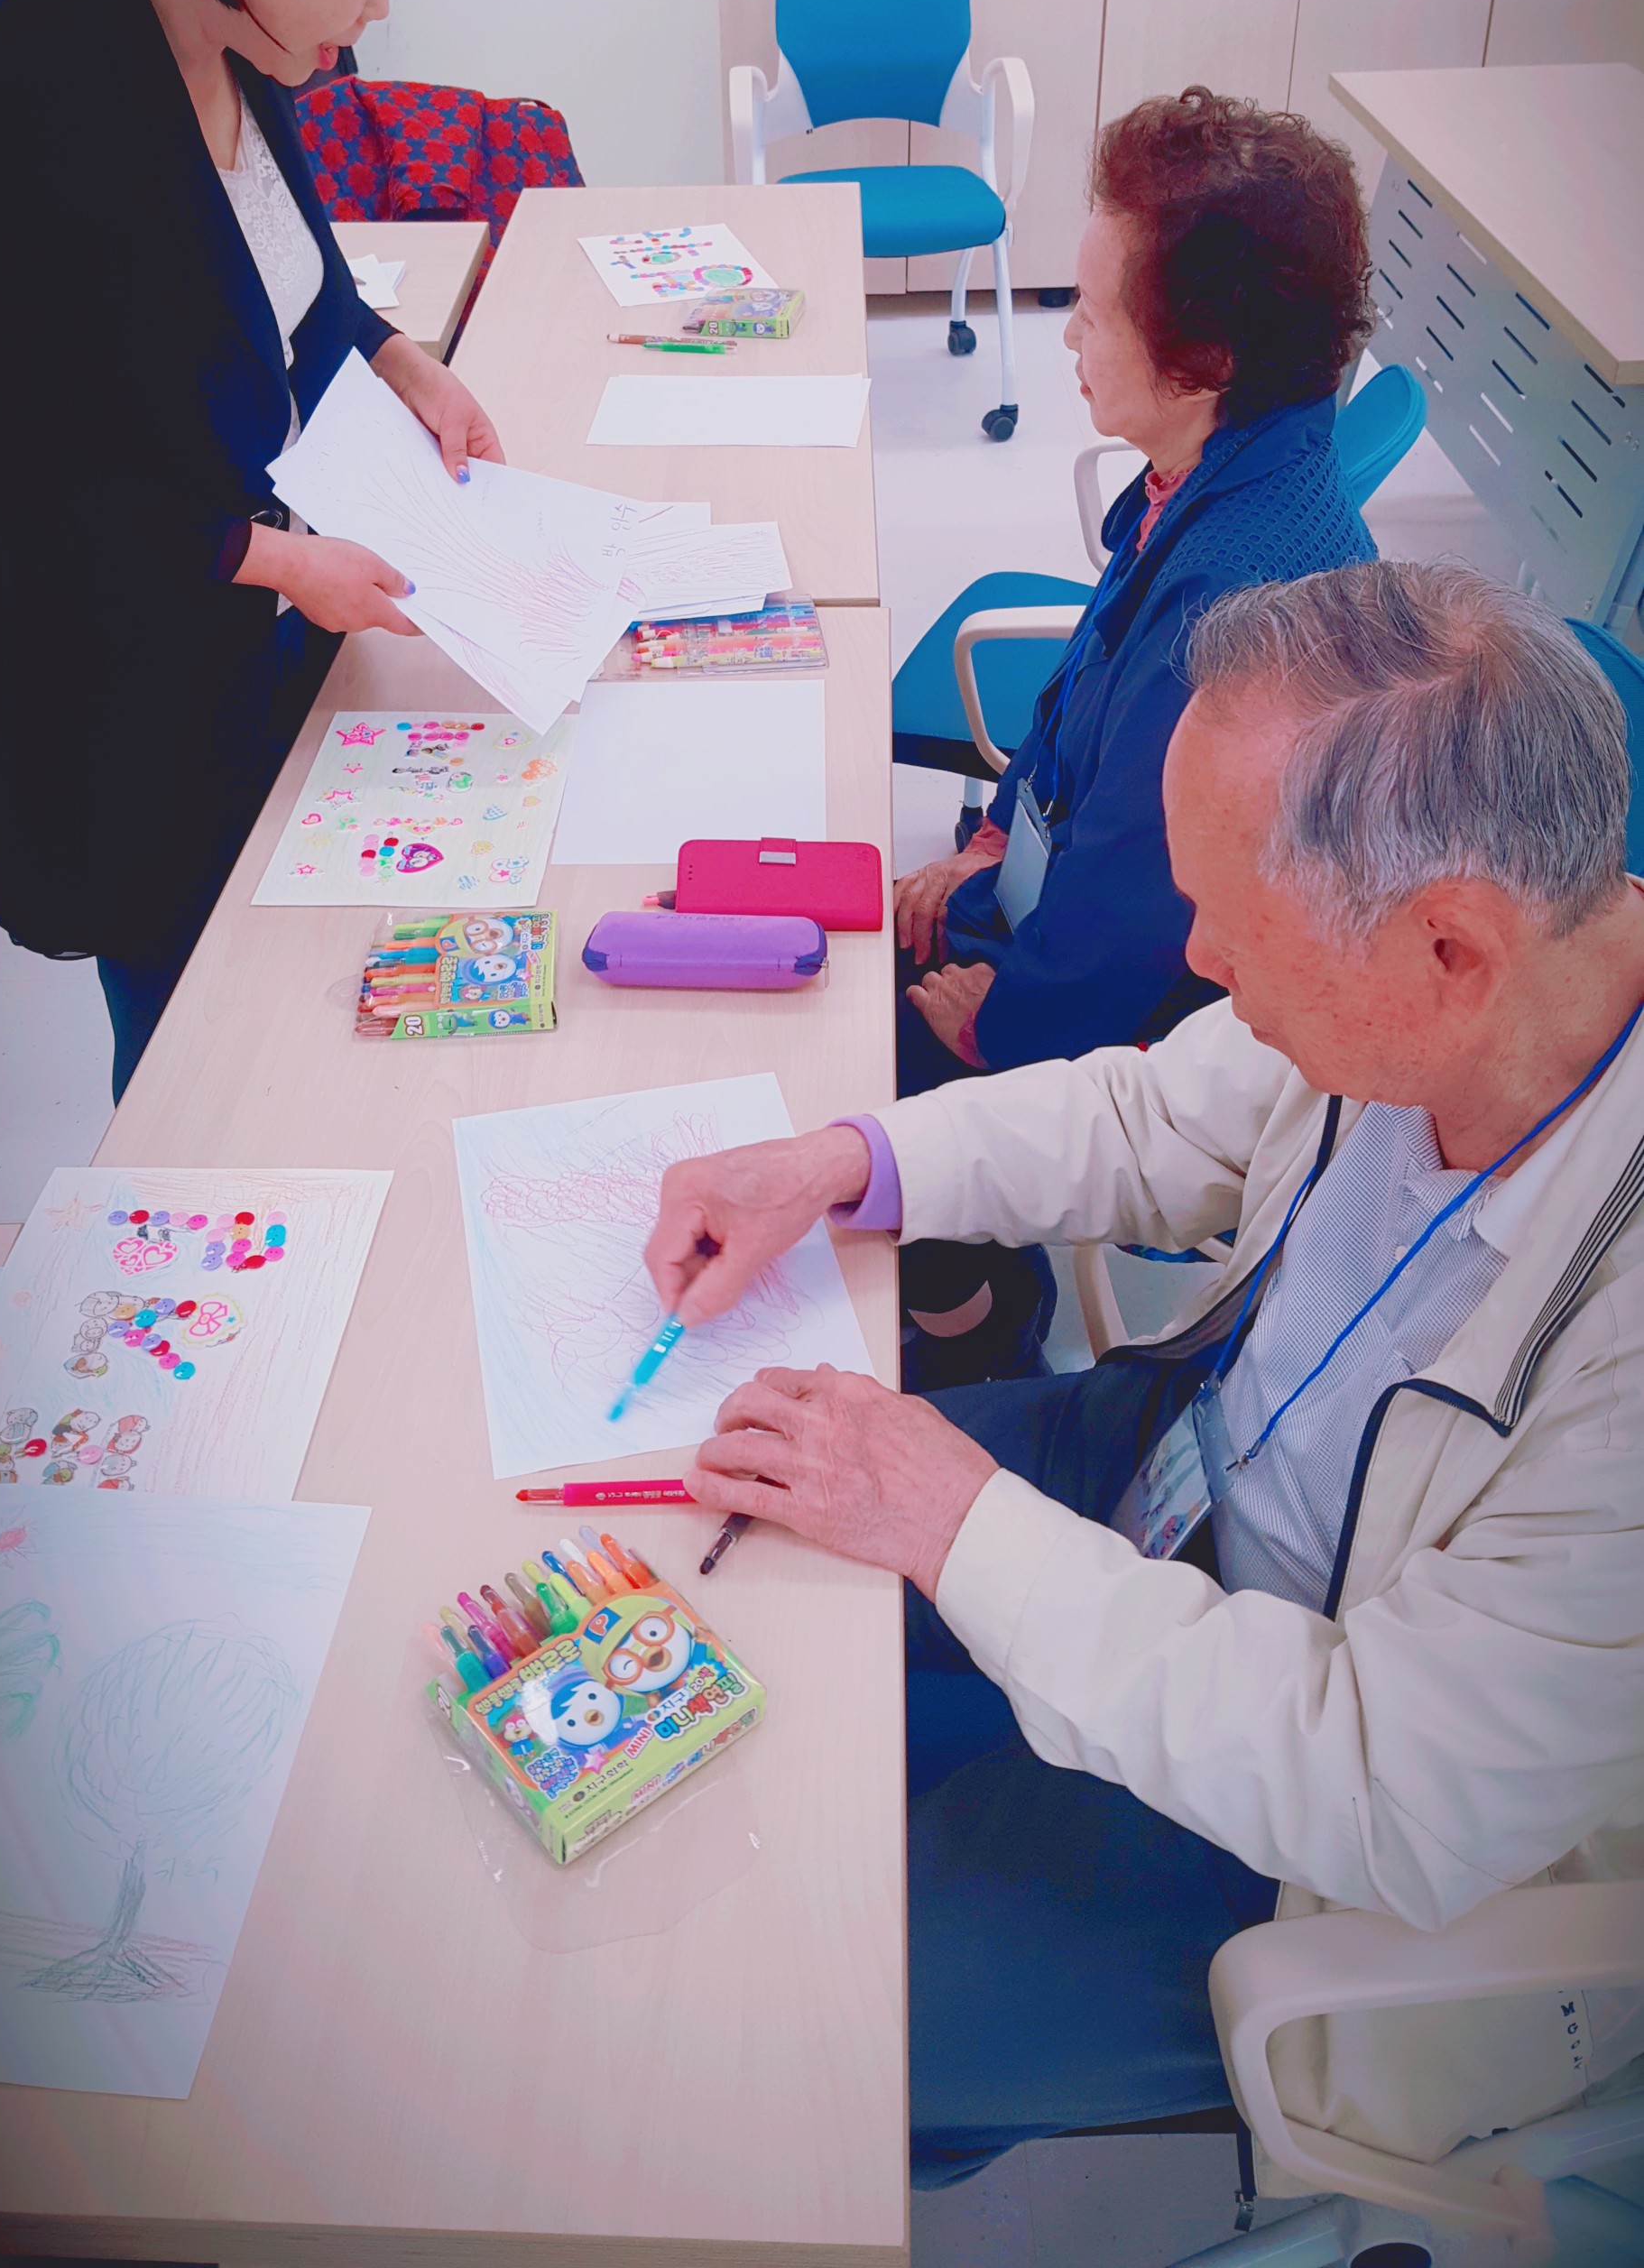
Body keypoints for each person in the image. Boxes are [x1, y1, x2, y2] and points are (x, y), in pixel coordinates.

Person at [644, 563, 1644, 2190]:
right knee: (737, 1554)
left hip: (1321, 1834)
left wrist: (959, 1527)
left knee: (808, 2009)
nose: (1196, 955)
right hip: (1186, 1458)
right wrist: (841, 1163)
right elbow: (1152, 1113)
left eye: (1238, 934)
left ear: (1450, 948)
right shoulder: (1448, 973)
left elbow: (1388, 1788)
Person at [0, 0, 503, 1096]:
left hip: (256, 637)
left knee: (310, 1012)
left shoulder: (239, 26)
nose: (377, 10)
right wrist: (279, 561)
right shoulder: (39, 100)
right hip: (129, 697)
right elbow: (41, 491)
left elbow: (291, 275)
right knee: (197, 1062)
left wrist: (398, 357)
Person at [892, 88, 1377, 1380]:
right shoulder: (1210, 473)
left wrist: (1007, 1030)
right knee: (873, 957)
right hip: (1079, 917)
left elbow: (1140, 892)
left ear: (1203, 358)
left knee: (873, 1062)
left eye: (1094, 311)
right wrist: (988, 841)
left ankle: (972, 1329)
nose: (1067, 333)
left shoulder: (1237, 614)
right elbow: (1077, 696)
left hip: (1164, 994)